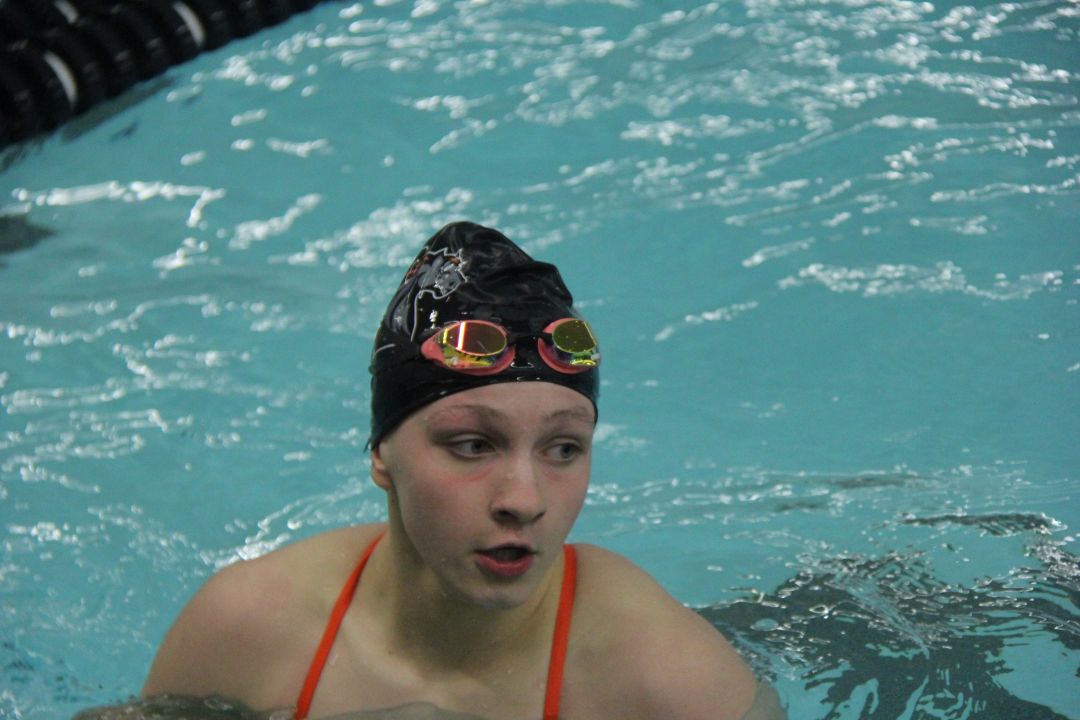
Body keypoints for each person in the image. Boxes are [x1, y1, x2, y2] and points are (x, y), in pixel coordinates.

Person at [140, 222, 786, 720]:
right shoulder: (248, 628)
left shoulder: (668, 679)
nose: (524, 500)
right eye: (473, 445)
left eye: (563, 448)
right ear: (381, 454)